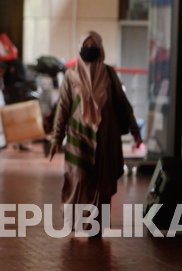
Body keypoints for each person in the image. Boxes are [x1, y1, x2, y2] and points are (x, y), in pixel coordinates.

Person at [49, 32, 142, 236]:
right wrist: (56, 137)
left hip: (106, 136)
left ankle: (96, 226)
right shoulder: (71, 75)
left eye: (93, 45)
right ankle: (72, 219)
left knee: (103, 181)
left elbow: (122, 103)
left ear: (100, 49)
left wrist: (135, 130)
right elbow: (63, 107)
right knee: (78, 178)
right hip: (78, 136)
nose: (89, 49)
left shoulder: (109, 73)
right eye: (85, 45)